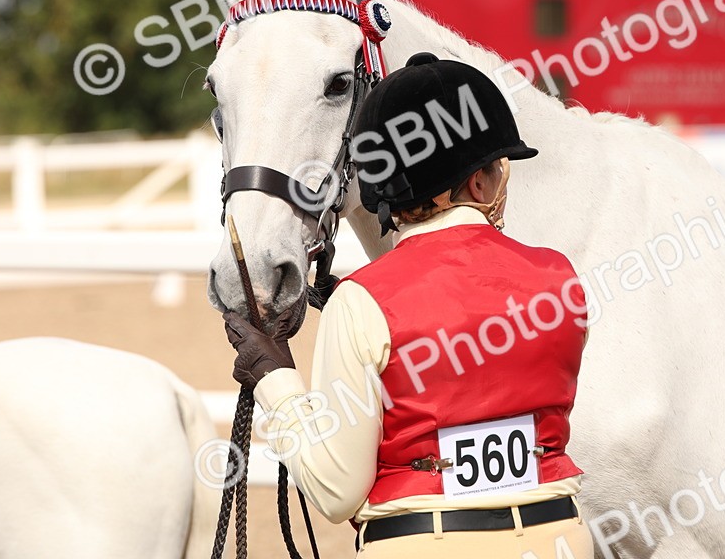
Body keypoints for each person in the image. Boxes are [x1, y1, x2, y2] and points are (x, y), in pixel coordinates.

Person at [224, 52, 593, 558]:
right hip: (559, 539)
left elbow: (336, 491)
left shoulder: (362, 302)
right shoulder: (560, 277)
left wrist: (274, 378)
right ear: (478, 181)